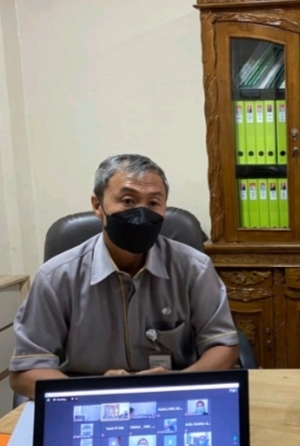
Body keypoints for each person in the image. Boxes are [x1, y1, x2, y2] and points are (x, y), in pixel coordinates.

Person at [9, 154, 239, 399]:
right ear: (98, 205)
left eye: (153, 203)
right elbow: (26, 370)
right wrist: (96, 394)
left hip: (174, 395)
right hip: (86, 398)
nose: (141, 213)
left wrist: (176, 386)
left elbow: (223, 345)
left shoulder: (194, 268)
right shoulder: (56, 278)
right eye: (128, 201)